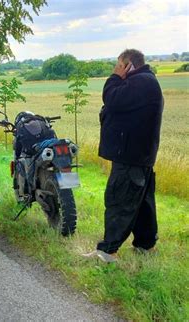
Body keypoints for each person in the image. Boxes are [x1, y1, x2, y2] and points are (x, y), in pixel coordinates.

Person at [84, 49, 164, 263]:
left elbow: (113, 99)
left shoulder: (141, 82)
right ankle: (146, 245)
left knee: (119, 200)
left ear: (128, 65)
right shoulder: (144, 82)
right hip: (137, 154)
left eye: (119, 65)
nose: (116, 69)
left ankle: (107, 251)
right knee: (141, 202)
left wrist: (114, 78)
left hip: (131, 155)